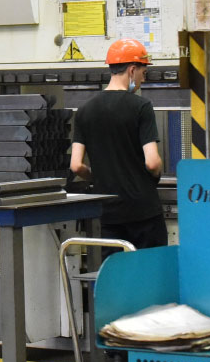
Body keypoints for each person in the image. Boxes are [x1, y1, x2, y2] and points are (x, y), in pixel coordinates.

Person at [69, 38, 168, 250]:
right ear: (132, 70)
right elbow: (152, 162)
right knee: (151, 268)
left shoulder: (84, 111)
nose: (143, 79)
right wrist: (155, 173)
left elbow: (76, 165)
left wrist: (100, 177)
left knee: (115, 268)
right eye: (143, 72)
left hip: (109, 213)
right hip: (143, 210)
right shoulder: (141, 106)